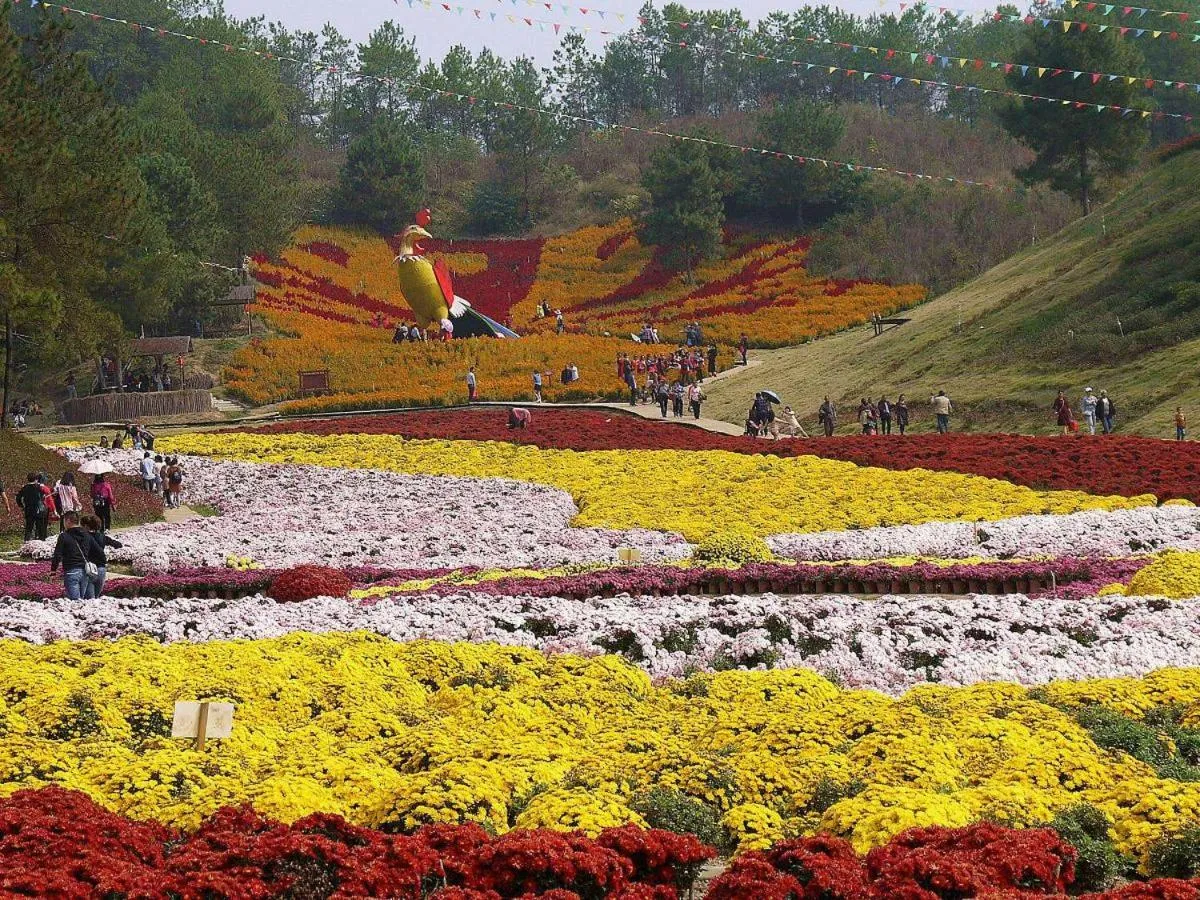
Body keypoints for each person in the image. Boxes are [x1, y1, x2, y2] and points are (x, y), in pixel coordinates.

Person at [50, 511, 91, 600]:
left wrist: (53, 571)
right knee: (81, 600)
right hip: (85, 571)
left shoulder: (64, 536)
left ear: (68, 521)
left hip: (71, 570)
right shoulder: (86, 534)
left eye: (64, 520)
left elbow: (57, 555)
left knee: (74, 602)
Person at [80, 514, 122, 597]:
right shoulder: (102, 536)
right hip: (101, 569)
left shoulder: (84, 538)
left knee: (90, 600)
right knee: (96, 598)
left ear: (86, 526)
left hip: (90, 570)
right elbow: (118, 544)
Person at [16, 473, 47, 542]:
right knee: (40, 528)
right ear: (36, 479)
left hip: (29, 510)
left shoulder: (25, 488)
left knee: (29, 528)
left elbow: (18, 498)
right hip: (38, 510)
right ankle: (41, 543)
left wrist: (21, 506)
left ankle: (26, 542)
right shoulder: (39, 487)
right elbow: (44, 496)